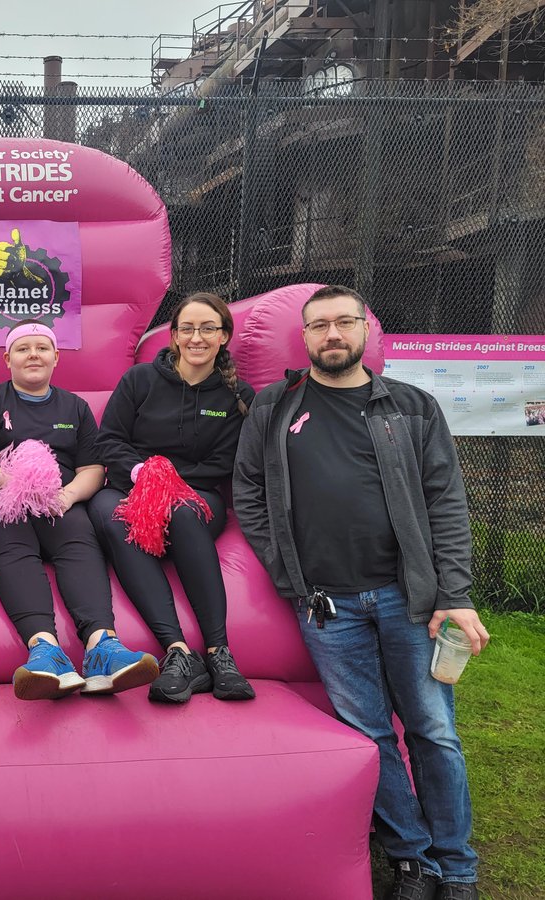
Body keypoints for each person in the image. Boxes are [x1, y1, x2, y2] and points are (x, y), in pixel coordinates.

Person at [233, 284, 488, 900]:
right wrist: (285, 569)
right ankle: (412, 858)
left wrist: (454, 592)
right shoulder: (274, 407)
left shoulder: (411, 406)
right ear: (305, 335)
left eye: (345, 323)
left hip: (410, 599)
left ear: (365, 332)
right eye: (320, 326)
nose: (333, 336)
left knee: (434, 732)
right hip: (325, 607)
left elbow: (446, 505)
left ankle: (457, 867)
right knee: (368, 733)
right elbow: (249, 493)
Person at [0, 321, 158, 700]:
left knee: (79, 543)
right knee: (12, 546)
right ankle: (45, 650)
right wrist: (20, 488)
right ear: (7, 359)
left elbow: (93, 468)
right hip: (9, 500)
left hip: (59, 500)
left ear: (56, 357)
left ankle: (102, 646)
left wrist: (67, 496)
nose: (33, 355)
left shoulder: (75, 406)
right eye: (23, 349)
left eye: (42, 348)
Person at [89, 292, 257, 704]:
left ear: (224, 337)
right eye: (187, 328)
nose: (196, 337)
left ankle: (219, 652)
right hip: (132, 487)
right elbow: (109, 440)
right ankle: (178, 653)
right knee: (112, 513)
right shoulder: (140, 380)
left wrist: (171, 485)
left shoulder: (238, 397)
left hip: (195, 493)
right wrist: (143, 474)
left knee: (182, 512)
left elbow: (227, 461)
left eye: (207, 329)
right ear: (175, 336)